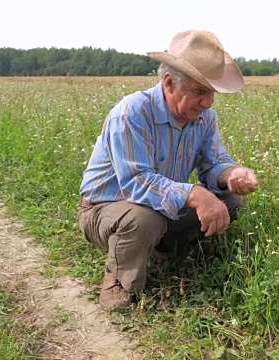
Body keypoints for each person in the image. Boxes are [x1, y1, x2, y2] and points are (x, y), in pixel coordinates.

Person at [77, 30, 258, 311]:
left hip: (162, 205)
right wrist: (197, 195)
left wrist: (231, 175)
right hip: (107, 209)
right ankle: (118, 276)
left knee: (230, 200)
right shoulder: (133, 113)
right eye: (199, 92)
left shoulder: (204, 117)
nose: (208, 102)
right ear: (170, 83)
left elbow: (213, 163)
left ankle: (163, 250)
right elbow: (136, 183)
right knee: (143, 218)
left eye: (211, 93)